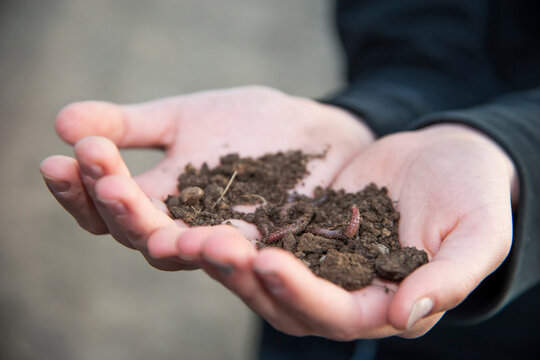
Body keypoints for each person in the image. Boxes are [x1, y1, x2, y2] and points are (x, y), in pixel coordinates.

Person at [40, 0, 539, 359]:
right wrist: (384, 108)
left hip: (510, 324)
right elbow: (416, 42)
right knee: (288, 287)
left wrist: (515, 148)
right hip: (303, 324)